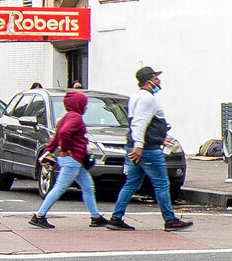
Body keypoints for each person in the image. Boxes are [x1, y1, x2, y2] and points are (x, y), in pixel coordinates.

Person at [109, 66, 192, 232]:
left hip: (137, 146)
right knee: (161, 183)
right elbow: (140, 123)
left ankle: (116, 217)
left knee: (131, 183)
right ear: (149, 82)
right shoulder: (147, 99)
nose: (159, 81)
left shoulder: (136, 97)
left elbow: (144, 123)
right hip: (147, 150)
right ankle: (170, 220)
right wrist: (140, 146)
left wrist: (160, 137)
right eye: (156, 78)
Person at [27, 90, 107, 230]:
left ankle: (96, 217)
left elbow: (56, 137)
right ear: (78, 104)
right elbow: (64, 133)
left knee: (88, 187)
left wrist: (47, 153)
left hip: (73, 160)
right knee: (59, 188)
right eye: (84, 104)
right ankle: (39, 216)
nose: (86, 107)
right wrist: (65, 150)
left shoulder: (65, 117)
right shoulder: (76, 118)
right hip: (73, 159)